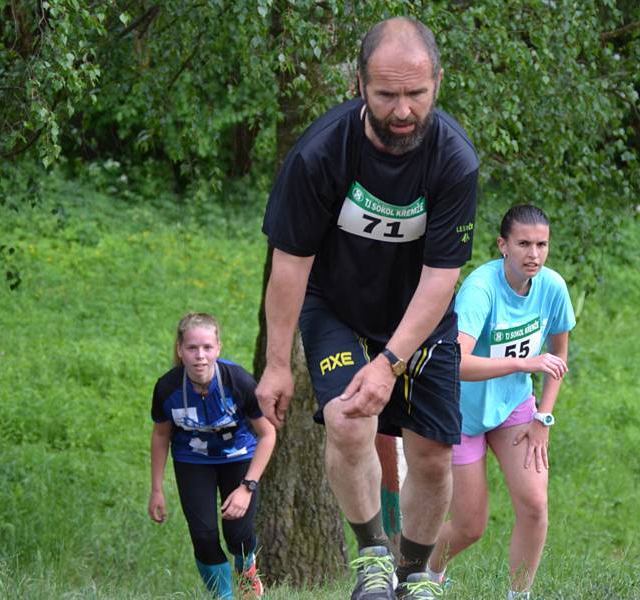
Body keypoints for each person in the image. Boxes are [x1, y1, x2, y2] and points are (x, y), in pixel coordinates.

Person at [257, 16, 479, 600]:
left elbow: (441, 278)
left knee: (431, 456)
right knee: (348, 420)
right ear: (359, 85)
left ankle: (416, 576)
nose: (403, 110)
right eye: (386, 95)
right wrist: (278, 363)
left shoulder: (455, 161)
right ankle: (373, 558)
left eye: (416, 93)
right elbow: (290, 264)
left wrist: (390, 362)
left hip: (420, 315)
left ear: (437, 83)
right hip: (338, 308)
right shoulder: (320, 154)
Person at [426, 205, 576, 600]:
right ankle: (427, 570)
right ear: (503, 245)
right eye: (523, 243)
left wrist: (544, 415)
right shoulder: (481, 289)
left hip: (513, 406)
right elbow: (457, 361)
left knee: (534, 506)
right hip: (461, 412)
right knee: (470, 526)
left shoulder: (553, 287)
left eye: (542, 244)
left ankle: (519, 595)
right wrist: (524, 362)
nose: (534, 254)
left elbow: (558, 353)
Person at [149, 313, 276, 599]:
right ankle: (223, 595)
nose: (200, 356)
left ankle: (247, 570)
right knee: (203, 534)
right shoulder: (167, 388)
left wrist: (248, 487)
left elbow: (268, 434)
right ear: (180, 350)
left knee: (237, 535)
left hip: (238, 458)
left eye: (207, 347)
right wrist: (156, 489)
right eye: (192, 348)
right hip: (193, 460)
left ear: (218, 348)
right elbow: (160, 436)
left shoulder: (239, 381)